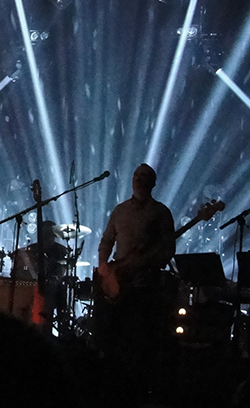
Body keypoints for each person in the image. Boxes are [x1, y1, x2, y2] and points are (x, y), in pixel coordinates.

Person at [95, 163, 176, 403]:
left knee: (142, 338)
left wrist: (148, 263)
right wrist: (103, 264)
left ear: (153, 183)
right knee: (115, 334)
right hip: (119, 281)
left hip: (145, 285)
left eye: (144, 177)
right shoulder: (120, 211)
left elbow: (168, 249)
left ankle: (140, 390)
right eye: (136, 176)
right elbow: (106, 241)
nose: (138, 180)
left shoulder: (161, 213)